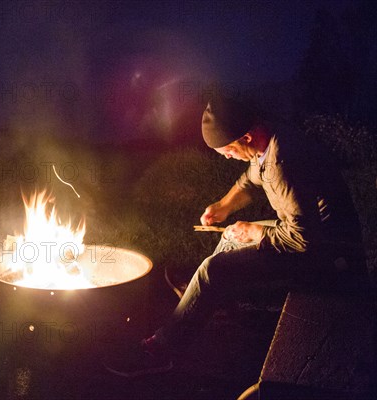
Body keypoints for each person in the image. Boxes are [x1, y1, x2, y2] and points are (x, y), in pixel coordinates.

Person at [104, 94, 368, 378]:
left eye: (228, 150)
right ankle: (209, 301)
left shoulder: (283, 162)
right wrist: (223, 206)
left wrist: (255, 231)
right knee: (231, 237)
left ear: (248, 137)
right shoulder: (268, 141)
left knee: (212, 270)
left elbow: (304, 239)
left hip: (329, 256)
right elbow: (249, 181)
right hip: (310, 235)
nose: (227, 156)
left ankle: (161, 351)